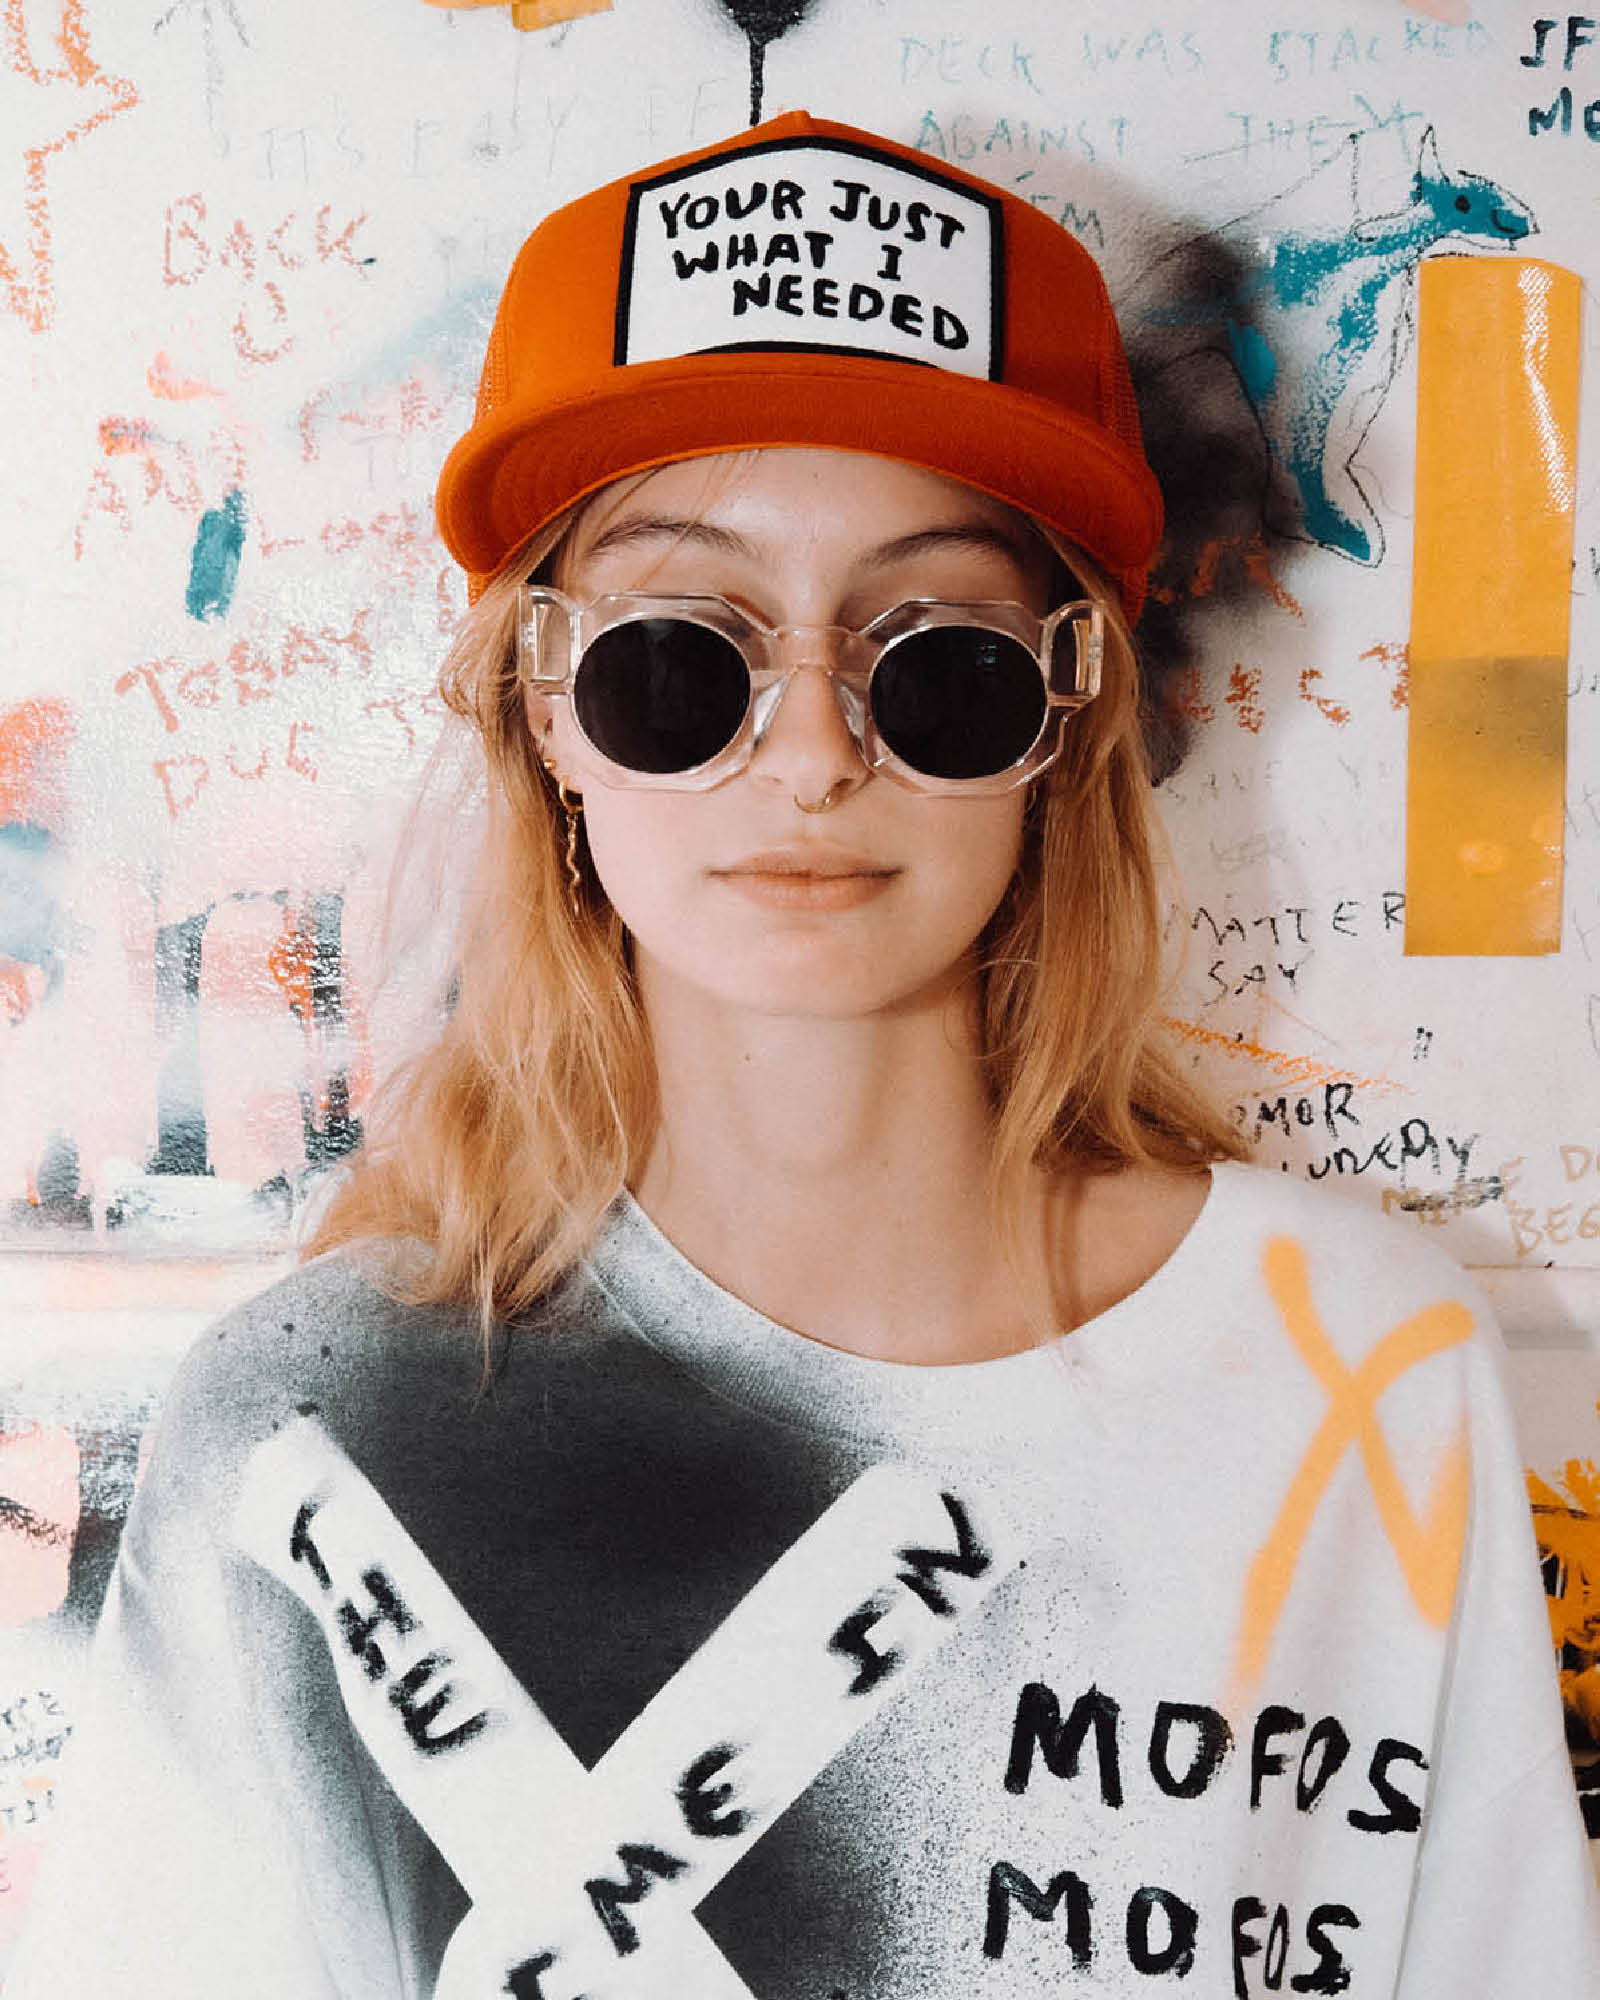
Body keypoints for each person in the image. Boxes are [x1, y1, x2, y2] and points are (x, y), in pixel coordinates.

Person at [9, 112, 1597, 2000]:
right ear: (547, 720)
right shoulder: (302, 1418)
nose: (816, 753)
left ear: (1064, 721)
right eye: (681, 659)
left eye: (940, 662)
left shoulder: (1362, 1372)